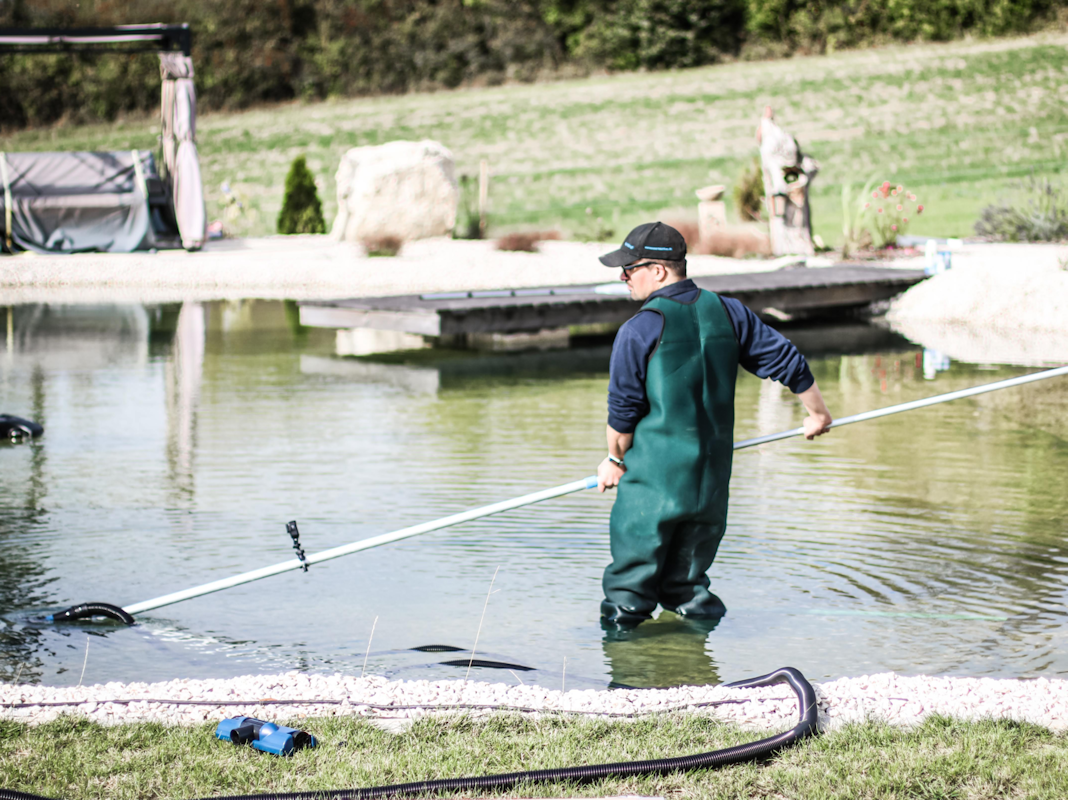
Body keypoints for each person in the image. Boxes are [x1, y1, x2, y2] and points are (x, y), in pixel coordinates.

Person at [595, 221, 833, 628]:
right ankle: (698, 672)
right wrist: (818, 414)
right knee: (688, 590)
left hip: (653, 485)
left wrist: (614, 461)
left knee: (627, 598)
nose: (623, 277)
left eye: (630, 268)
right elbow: (788, 361)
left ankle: (626, 682)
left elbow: (623, 417)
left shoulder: (638, 329)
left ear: (659, 270)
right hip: (711, 484)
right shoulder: (729, 312)